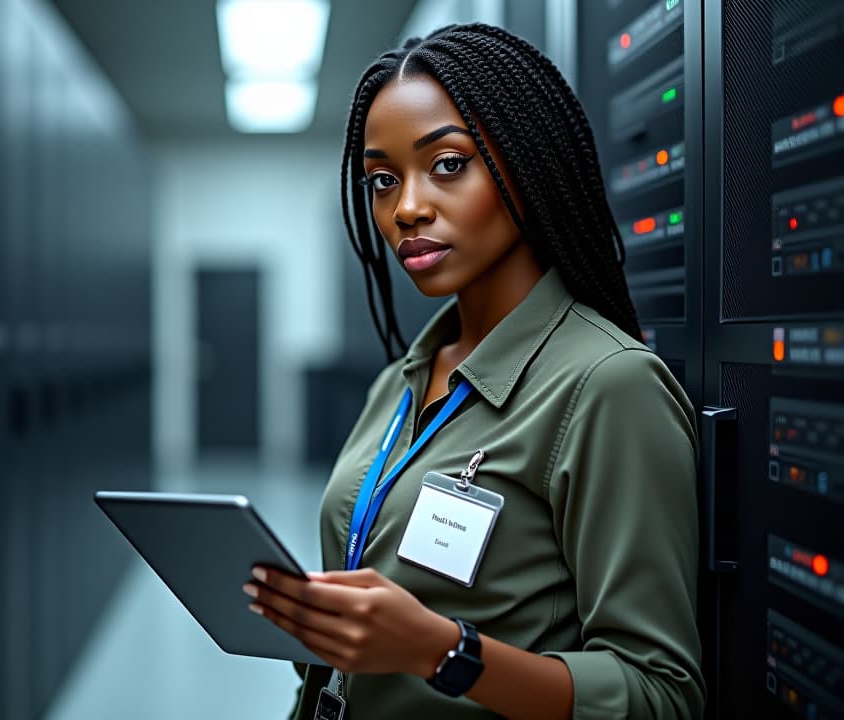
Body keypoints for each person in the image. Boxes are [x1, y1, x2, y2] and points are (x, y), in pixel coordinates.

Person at [242, 23, 703, 720]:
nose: (406, 209)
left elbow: (660, 694)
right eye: (382, 180)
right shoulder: (401, 378)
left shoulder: (607, 386)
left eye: (448, 164)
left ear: (529, 161)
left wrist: (443, 650)